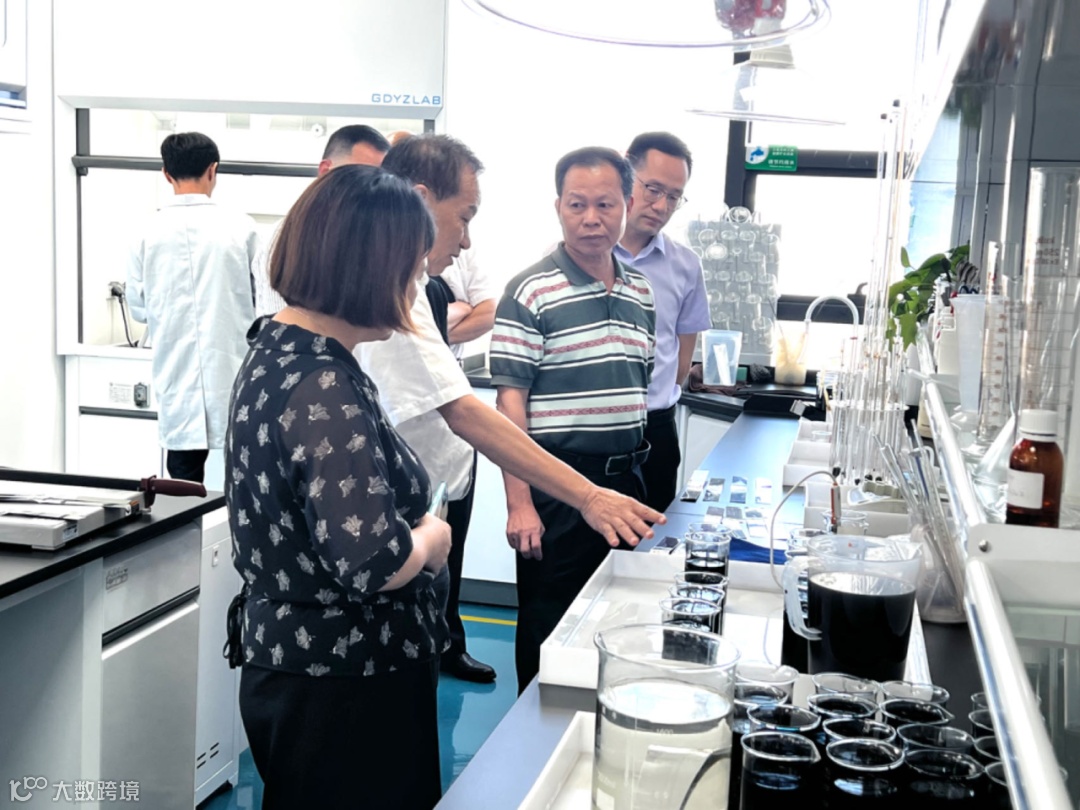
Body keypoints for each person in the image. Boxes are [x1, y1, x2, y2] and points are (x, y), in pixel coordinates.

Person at [358, 136, 665, 686]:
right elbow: (473, 411)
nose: (466, 239)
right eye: (464, 217)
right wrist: (573, 497)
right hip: (461, 502)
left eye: (605, 204)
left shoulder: (414, 287)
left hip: (442, 505)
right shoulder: (398, 294)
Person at [226, 165, 451, 810]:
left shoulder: (275, 349)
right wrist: (430, 540)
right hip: (346, 682)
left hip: (292, 665)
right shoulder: (325, 384)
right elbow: (372, 561)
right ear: (370, 269)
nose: (416, 286)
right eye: (411, 270)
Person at [489, 146, 657, 693]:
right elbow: (509, 406)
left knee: (619, 623)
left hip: (628, 481)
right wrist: (519, 504)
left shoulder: (641, 291)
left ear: (626, 205)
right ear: (558, 207)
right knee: (549, 630)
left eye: (605, 204)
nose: (591, 218)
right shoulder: (530, 290)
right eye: (577, 204)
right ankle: (531, 735)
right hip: (556, 487)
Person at [127, 131, 259, 484]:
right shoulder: (242, 227)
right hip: (233, 370)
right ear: (213, 170)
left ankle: (184, 523)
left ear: (166, 173)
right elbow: (263, 301)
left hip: (176, 374)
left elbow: (138, 308)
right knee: (244, 474)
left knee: (183, 482)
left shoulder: (145, 231)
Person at [615, 132, 710, 513]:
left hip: (656, 430)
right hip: (587, 433)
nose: (661, 205)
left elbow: (682, 361)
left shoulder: (685, 265)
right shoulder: (579, 254)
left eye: (674, 197)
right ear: (626, 175)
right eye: (653, 189)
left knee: (652, 541)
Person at [252, 124, 390, 316]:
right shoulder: (285, 238)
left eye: (378, 180)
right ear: (325, 170)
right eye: (358, 176)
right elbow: (283, 321)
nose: (371, 190)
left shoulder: (369, 234)